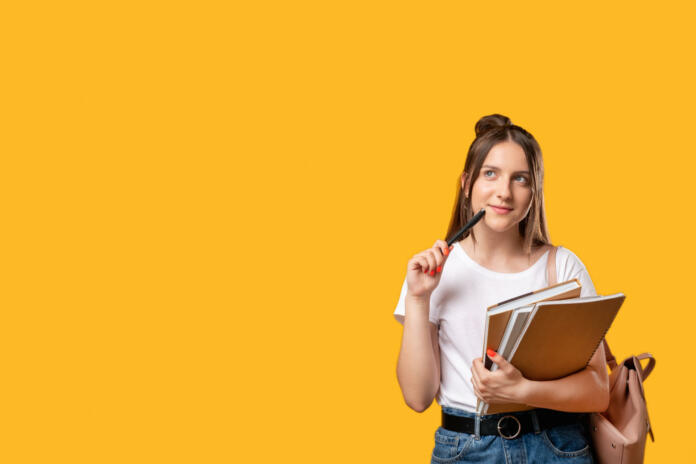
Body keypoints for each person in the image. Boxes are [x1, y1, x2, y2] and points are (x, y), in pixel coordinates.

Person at [393, 114, 609, 463]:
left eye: (520, 179)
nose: (503, 192)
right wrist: (418, 299)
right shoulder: (434, 272)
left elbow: (598, 392)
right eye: (490, 174)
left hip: (558, 448)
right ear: (467, 183)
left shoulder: (563, 268)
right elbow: (417, 398)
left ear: (533, 191)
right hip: (466, 450)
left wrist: (522, 390)